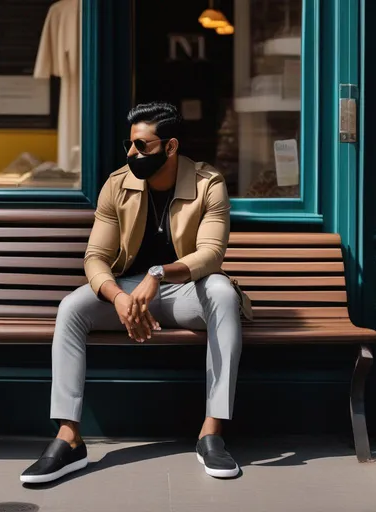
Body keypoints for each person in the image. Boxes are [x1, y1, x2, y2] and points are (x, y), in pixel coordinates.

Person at [21, 102, 242, 484]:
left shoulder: (209, 183)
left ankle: (212, 434)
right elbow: (95, 257)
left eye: (142, 146)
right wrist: (118, 298)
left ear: (170, 147)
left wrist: (158, 273)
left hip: (187, 292)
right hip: (129, 294)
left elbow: (210, 254)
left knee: (223, 293)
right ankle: (69, 438)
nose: (131, 154)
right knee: (72, 307)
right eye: (130, 144)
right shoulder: (117, 184)